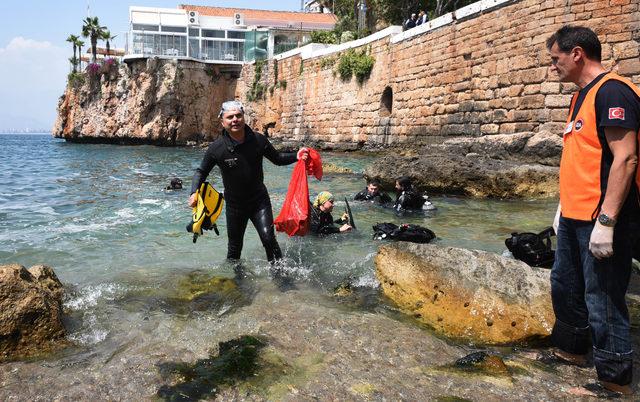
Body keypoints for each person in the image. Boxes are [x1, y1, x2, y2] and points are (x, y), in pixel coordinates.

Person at [546, 25, 640, 395]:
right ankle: (571, 353)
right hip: (574, 215)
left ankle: (613, 382)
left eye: (555, 59)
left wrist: (606, 222)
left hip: (602, 218)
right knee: (565, 286)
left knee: (602, 298)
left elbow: (626, 159)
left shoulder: (612, 91)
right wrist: (562, 207)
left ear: (577, 54)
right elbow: (582, 158)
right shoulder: (580, 96)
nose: (552, 67)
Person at [188, 100, 309, 263]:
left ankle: (281, 277)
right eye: (230, 117)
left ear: (244, 118)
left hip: (259, 201)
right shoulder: (216, 149)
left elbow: (278, 159)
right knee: (234, 249)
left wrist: (296, 156)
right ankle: (236, 284)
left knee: (268, 239)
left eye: (238, 115)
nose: (235, 120)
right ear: (222, 121)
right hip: (235, 205)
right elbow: (201, 172)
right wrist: (194, 192)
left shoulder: (258, 140)